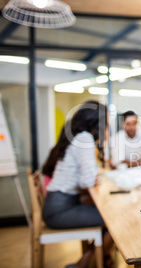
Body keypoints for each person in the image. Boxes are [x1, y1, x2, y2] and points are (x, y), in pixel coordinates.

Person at [42, 100, 114, 268]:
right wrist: (96, 177)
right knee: (113, 220)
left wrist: (94, 177)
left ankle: (82, 264)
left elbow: (86, 178)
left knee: (108, 216)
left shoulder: (77, 137)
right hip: (60, 211)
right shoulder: (85, 138)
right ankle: (97, 261)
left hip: (58, 205)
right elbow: (89, 180)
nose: (108, 126)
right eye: (107, 122)